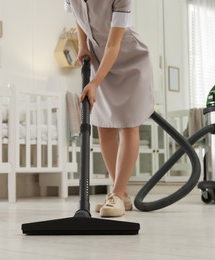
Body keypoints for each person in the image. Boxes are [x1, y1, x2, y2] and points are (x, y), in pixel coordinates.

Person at [64, 0, 154, 217]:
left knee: (127, 124)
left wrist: (95, 82)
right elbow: (79, 16)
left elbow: (114, 45)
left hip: (129, 59)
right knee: (104, 126)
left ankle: (117, 193)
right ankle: (120, 194)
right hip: (100, 59)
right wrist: (83, 44)